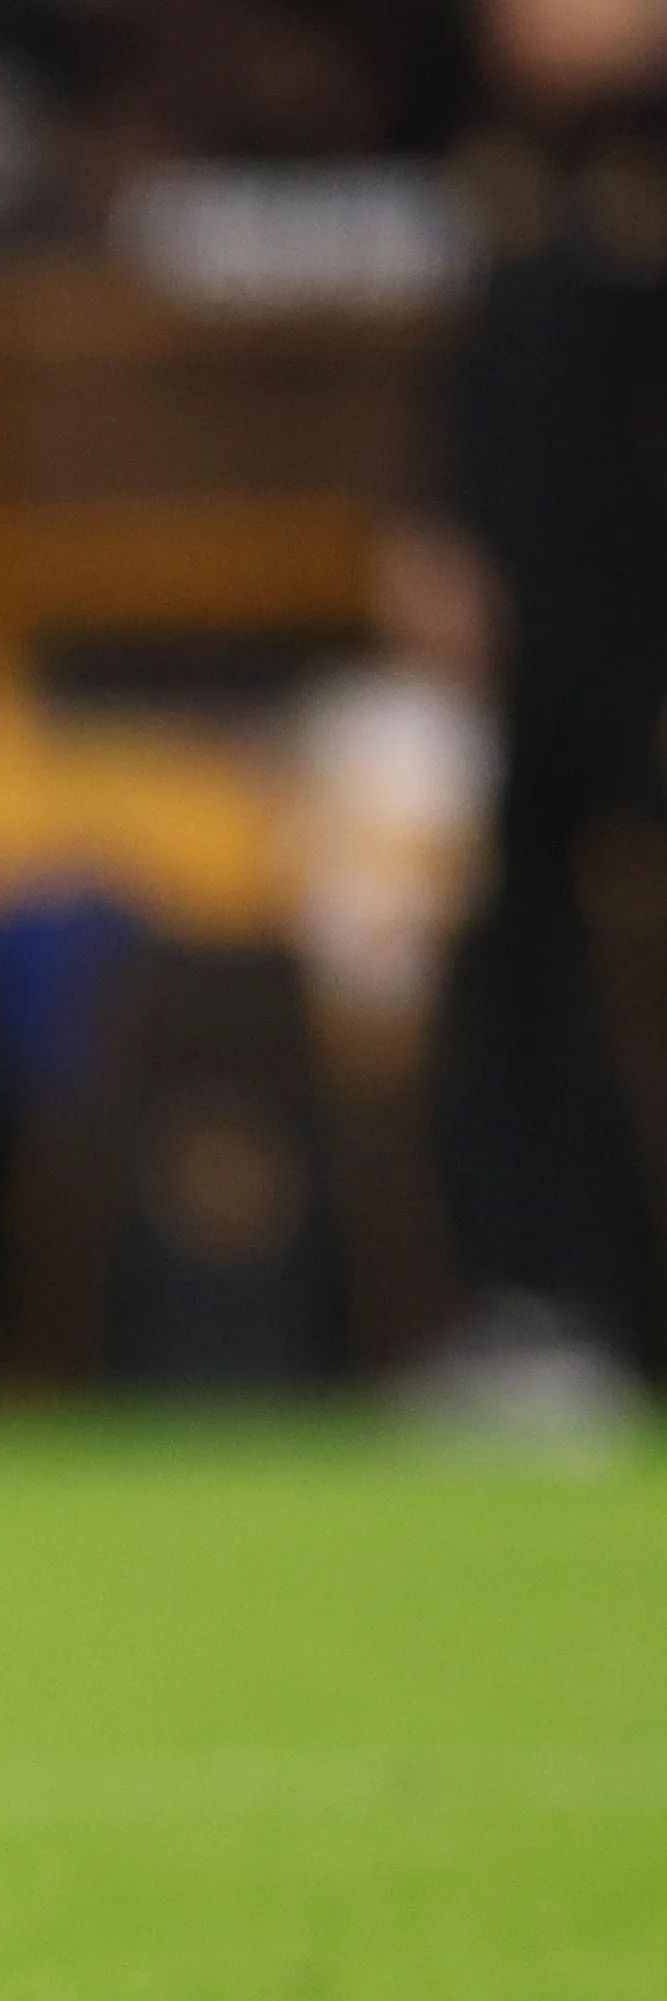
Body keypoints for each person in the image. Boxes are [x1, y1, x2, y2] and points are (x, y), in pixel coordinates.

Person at [389, 0, 667, 1430]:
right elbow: (486, 376)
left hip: (643, 631)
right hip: (544, 652)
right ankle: (545, 1310)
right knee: (524, 978)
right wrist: (439, 531)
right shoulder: (510, 152)